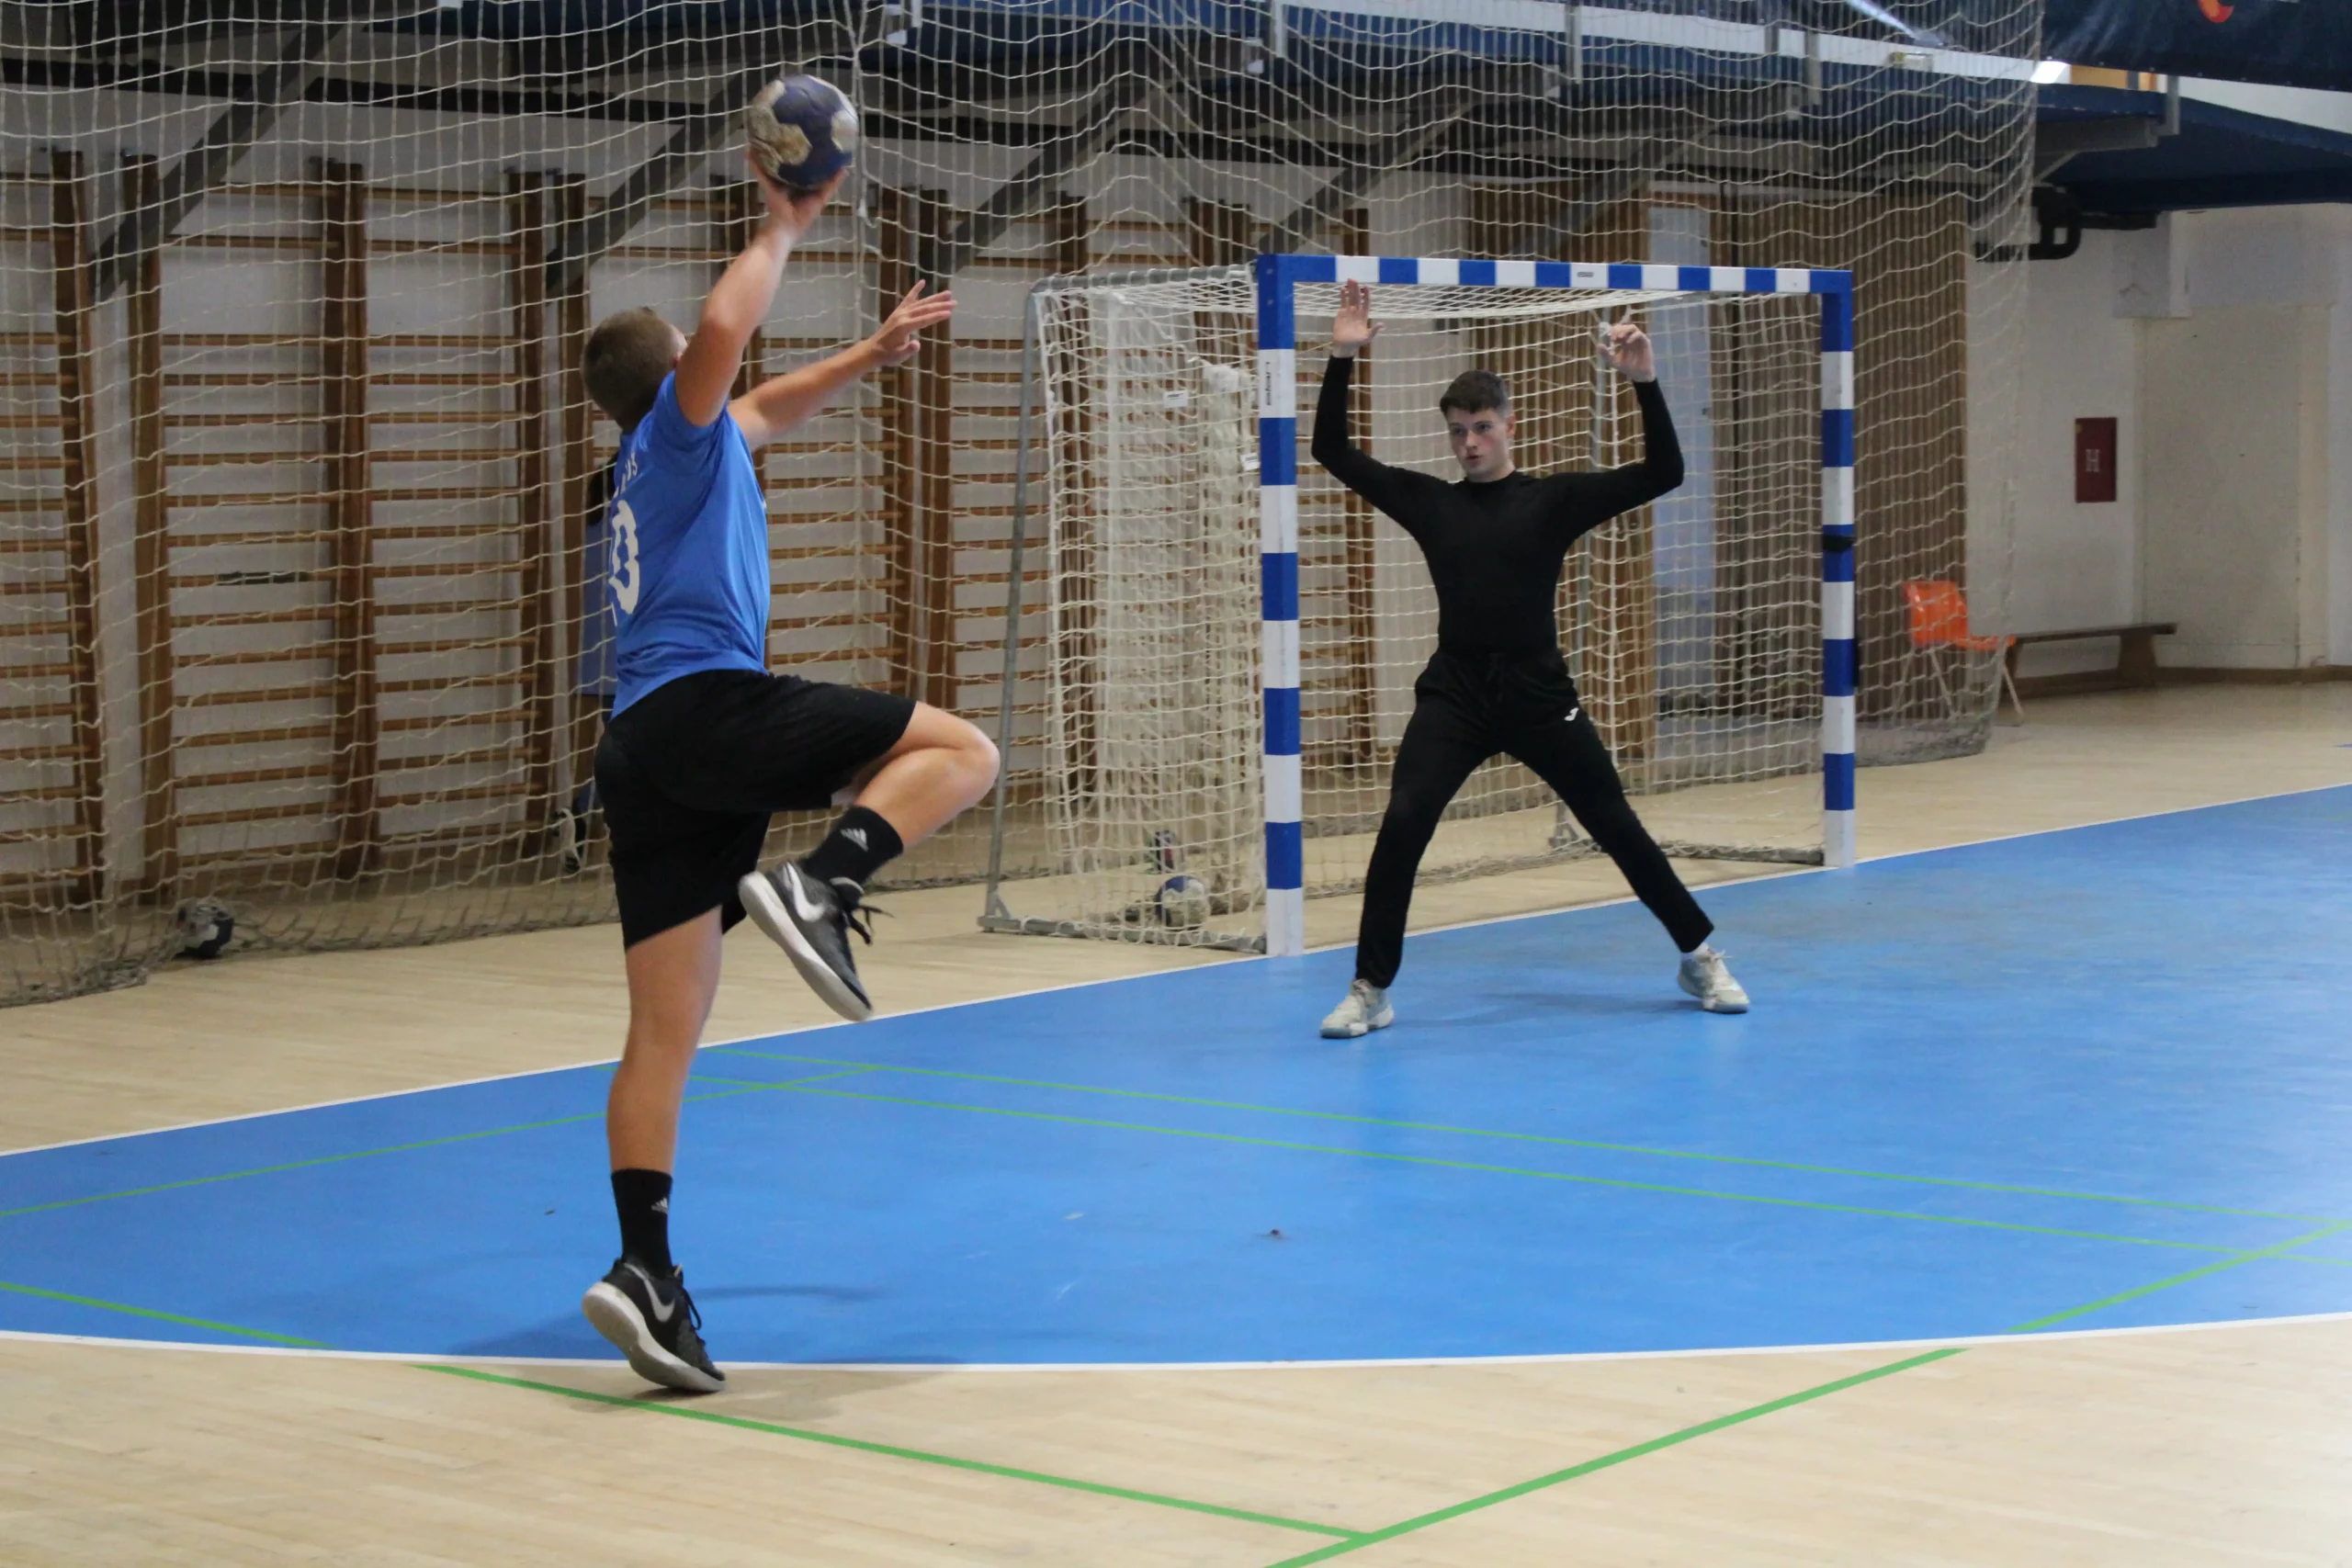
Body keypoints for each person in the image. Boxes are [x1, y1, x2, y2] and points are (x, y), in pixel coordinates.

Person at [574, 158, 1000, 1393]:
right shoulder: (678, 426)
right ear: (670, 377)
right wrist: (786, 222)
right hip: (703, 707)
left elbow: (774, 399)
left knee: (666, 1026)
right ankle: (823, 885)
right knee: (958, 749)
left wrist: (869, 353)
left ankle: (643, 1270)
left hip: (639, 750)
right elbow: (725, 333)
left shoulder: (667, 460)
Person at [1311, 278, 1748, 1040]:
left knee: (1614, 823)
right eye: (1457, 431)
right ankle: (1370, 987)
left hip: (1538, 693)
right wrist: (1343, 356)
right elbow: (1332, 449)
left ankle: (1699, 953)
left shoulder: (1552, 501)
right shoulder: (1431, 502)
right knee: (1404, 820)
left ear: (1508, 425)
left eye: (1481, 427)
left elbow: (1664, 473)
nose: (1469, 443)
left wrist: (1645, 382)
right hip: (1456, 695)